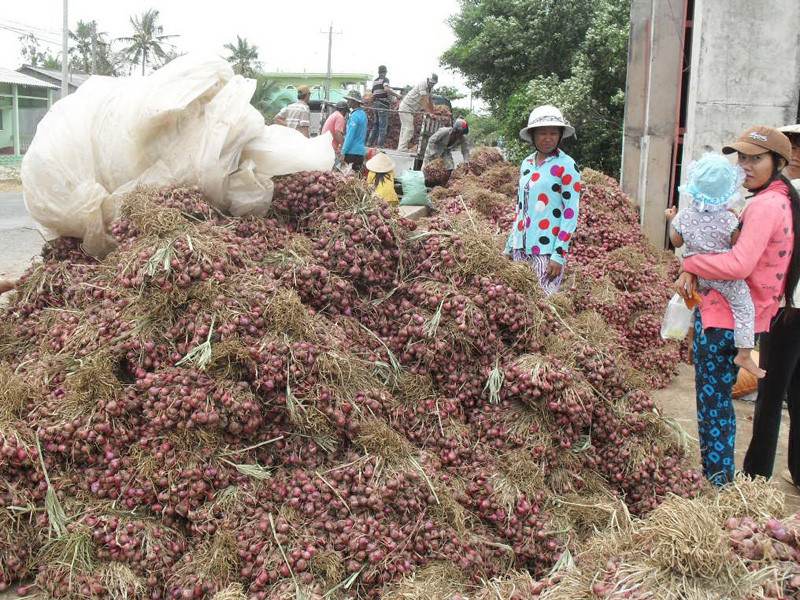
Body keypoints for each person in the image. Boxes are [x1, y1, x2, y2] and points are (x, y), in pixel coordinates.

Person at [675, 125, 799, 487]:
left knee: (713, 407)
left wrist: (690, 264)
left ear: (778, 162)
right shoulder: (778, 199)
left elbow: (739, 266)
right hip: (740, 318)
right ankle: (721, 477)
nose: (745, 165)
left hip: (723, 319)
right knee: (720, 405)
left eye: (755, 158)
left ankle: (717, 482)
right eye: (741, 157)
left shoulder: (764, 205)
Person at [664, 153, 763, 378]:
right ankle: (745, 353)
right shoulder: (729, 219)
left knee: (695, 306)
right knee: (744, 306)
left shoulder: (684, 217)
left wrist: (671, 219)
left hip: (697, 275)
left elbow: (676, 241)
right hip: (723, 275)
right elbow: (737, 243)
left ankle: (690, 344)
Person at [743, 123, 800, 487]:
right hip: (791, 305)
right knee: (793, 392)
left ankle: (755, 475)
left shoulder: (781, 197)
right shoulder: (784, 194)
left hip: (788, 308)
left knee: (771, 390)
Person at [503, 105, 581, 296]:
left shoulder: (567, 165)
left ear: (560, 136)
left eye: (553, 133)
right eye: (542, 133)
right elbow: (521, 208)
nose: (548, 139)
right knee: (518, 303)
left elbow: (570, 213)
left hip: (546, 251)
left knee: (541, 305)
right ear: (533, 136)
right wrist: (509, 247)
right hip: (520, 248)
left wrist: (558, 255)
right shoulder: (527, 163)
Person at [397, 73, 438, 153]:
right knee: (409, 129)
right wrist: (429, 113)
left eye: (434, 83)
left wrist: (433, 113)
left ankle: (400, 148)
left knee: (405, 129)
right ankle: (402, 149)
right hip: (406, 107)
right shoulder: (422, 84)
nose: (432, 84)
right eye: (431, 82)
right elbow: (424, 100)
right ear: (427, 80)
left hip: (412, 110)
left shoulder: (430, 89)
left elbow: (430, 101)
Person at [367, 66, 402, 148]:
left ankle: (369, 143)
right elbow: (386, 89)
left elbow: (373, 93)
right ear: (385, 72)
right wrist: (397, 95)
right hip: (382, 105)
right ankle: (380, 146)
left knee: (375, 126)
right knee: (383, 127)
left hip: (375, 105)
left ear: (378, 72)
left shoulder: (375, 81)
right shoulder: (385, 79)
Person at [340, 90, 368, 172]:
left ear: (354, 102)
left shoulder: (354, 116)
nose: (347, 102)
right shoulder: (363, 115)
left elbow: (350, 136)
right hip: (360, 153)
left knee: (346, 178)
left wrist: (343, 152)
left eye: (349, 100)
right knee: (356, 179)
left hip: (352, 152)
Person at [321, 100, 348, 166]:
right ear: (344, 110)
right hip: (329, 148)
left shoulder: (334, 115)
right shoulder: (339, 117)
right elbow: (338, 133)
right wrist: (343, 147)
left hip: (325, 146)